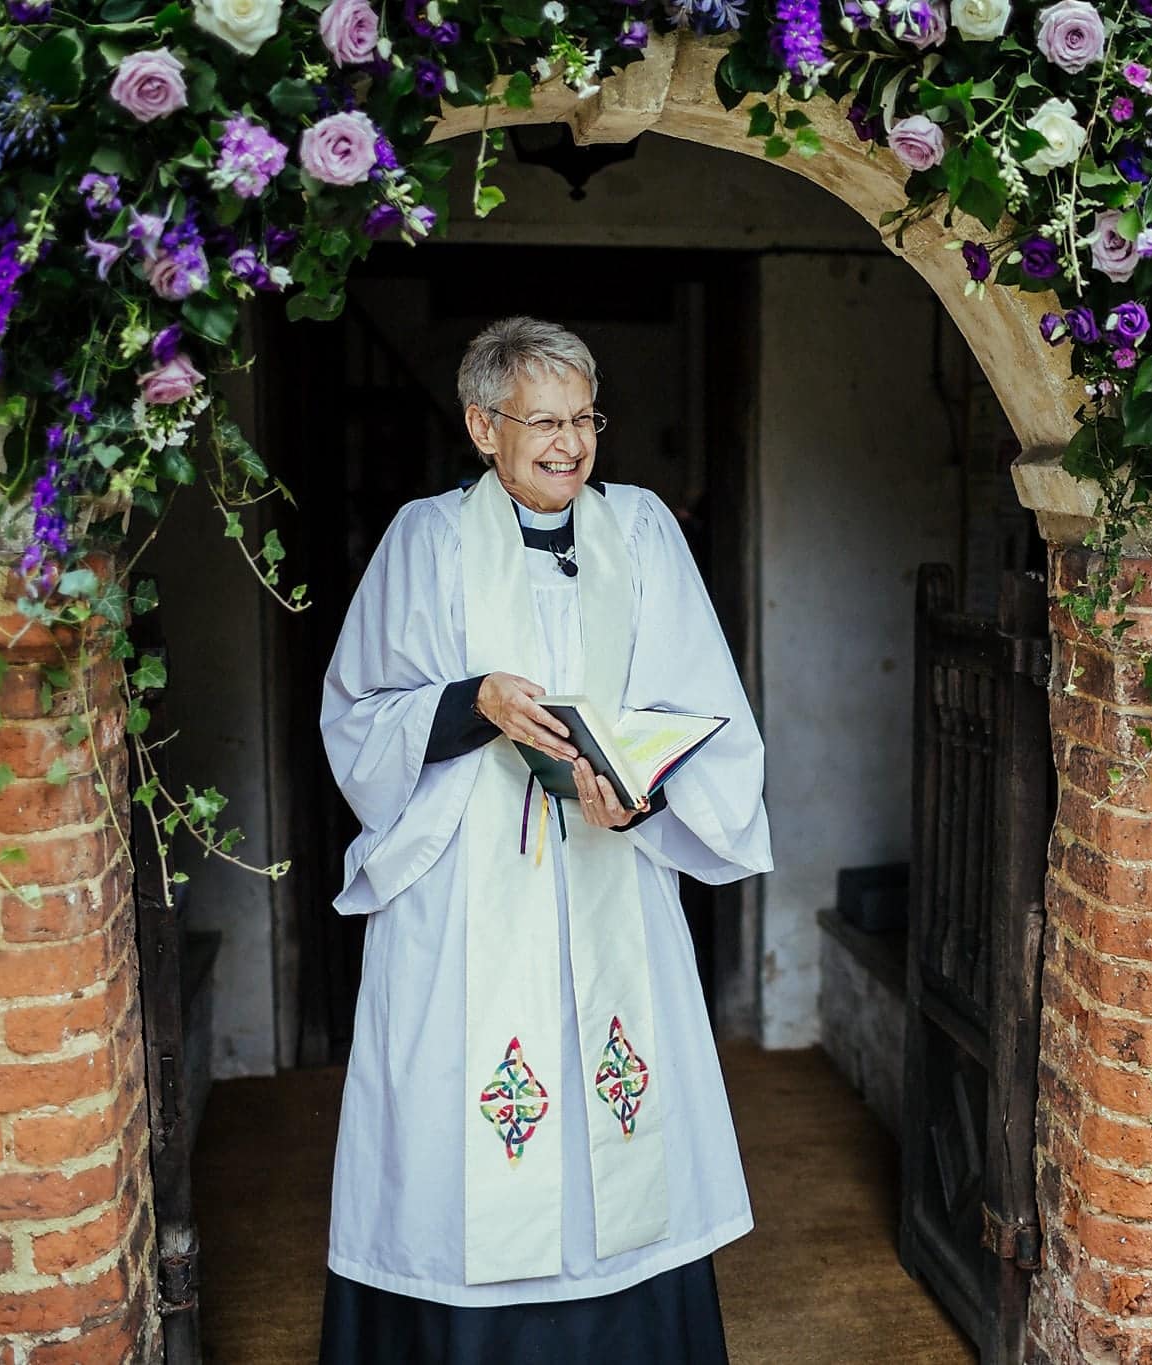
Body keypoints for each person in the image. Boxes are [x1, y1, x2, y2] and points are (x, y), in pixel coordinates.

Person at [316, 316, 772, 1363]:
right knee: (456, 1118)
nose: (569, 444)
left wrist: (641, 795)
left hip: (610, 871)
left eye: (584, 420)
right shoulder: (422, 540)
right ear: (482, 426)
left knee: (615, 1121)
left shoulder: (645, 530)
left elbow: (700, 702)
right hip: (465, 881)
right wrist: (470, 700)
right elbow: (355, 711)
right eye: (543, 422)